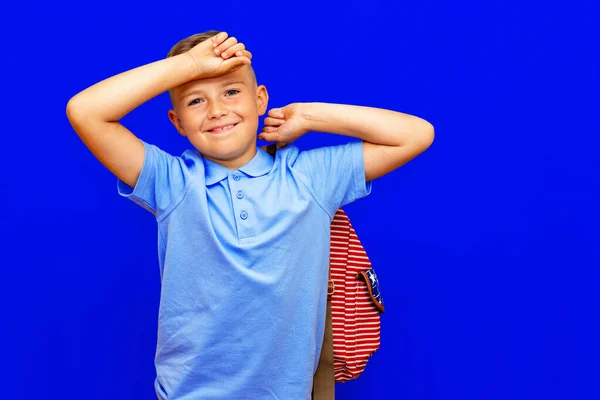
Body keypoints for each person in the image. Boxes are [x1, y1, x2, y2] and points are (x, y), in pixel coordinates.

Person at [66, 30, 434, 400]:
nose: (217, 111)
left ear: (260, 100)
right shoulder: (172, 182)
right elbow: (86, 112)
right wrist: (188, 64)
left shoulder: (309, 177)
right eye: (196, 100)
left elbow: (415, 134)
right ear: (177, 123)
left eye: (231, 91)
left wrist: (308, 115)